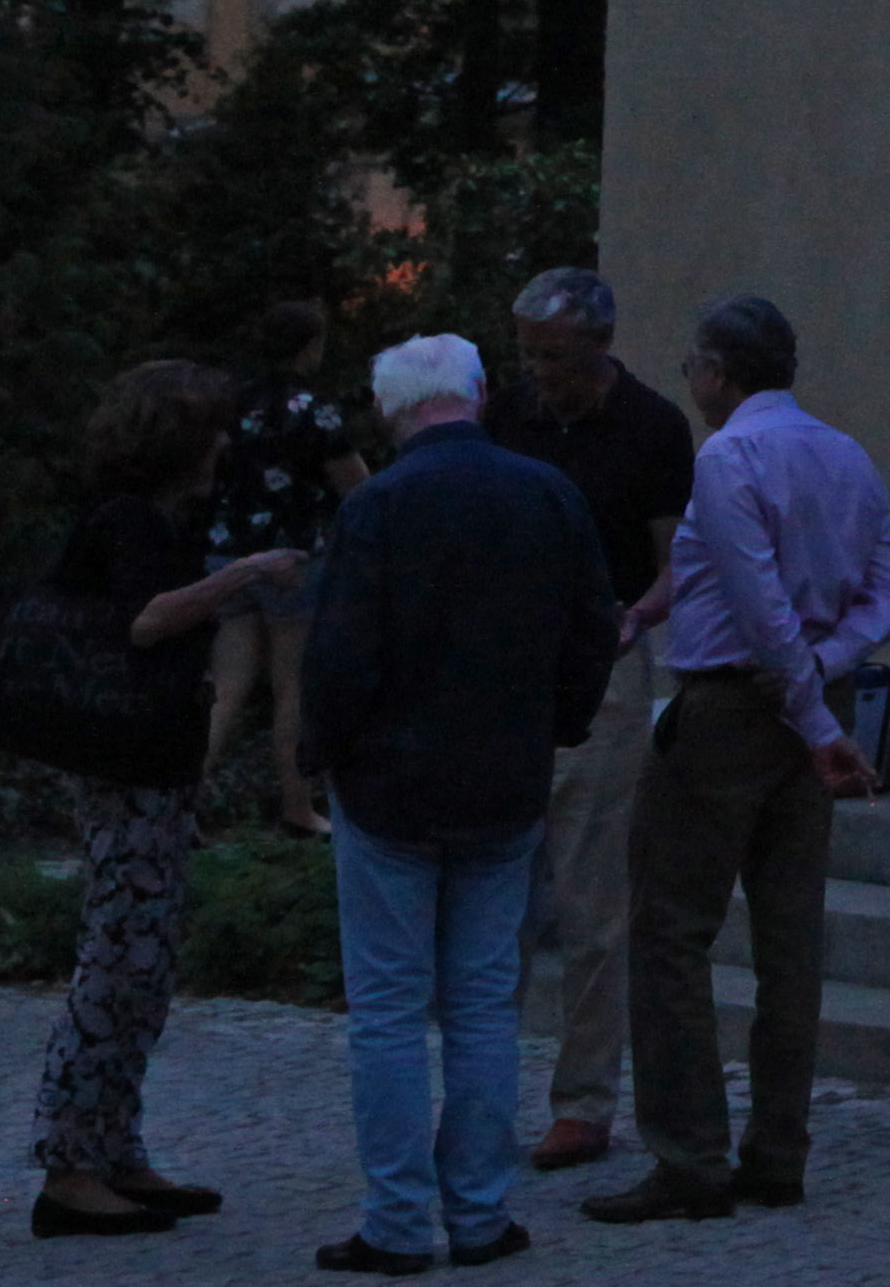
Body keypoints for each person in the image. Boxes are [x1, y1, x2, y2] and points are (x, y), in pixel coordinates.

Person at [300, 334, 617, 1277]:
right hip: (505, 779)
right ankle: (479, 1213)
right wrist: (557, 727)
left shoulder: (378, 506)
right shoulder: (547, 493)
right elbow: (592, 630)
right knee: (483, 1007)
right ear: (477, 393)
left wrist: (324, 754)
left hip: (388, 787)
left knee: (389, 1009)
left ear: (389, 408)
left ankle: (398, 1222)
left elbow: (340, 654)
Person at [588, 298, 890, 1227]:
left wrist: (806, 702)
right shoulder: (846, 454)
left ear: (720, 373)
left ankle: (690, 1156)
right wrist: (827, 671)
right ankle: (777, 1152)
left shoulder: (730, 456)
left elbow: (757, 596)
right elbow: (886, 595)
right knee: (789, 941)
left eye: (693, 366)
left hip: (738, 709)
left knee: (670, 930)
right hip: (811, 702)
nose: (690, 381)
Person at [27, 359, 305, 1240]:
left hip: (146, 765)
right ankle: (72, 1165)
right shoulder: (132, 522)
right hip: (129, 769)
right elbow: (144, 621)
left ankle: (113, 1151)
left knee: (142, 965)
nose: (224, 446)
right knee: (118, 962)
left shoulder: (138, 518)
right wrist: (244, 573)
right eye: (213, 431)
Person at [476, 270, 696, 1174]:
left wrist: (636, 617)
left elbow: (676, 559)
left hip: (602, 665)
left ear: (600, 347)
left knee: (593, 899)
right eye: (529, 355)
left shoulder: (651, 428)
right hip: (505, 670)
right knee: (495, 896)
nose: (540, 373)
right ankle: (484, 1094)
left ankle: (585, 1101)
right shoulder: (506, 418)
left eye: (556, 358)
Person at [198, 300, 369, 836]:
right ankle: (298, 806)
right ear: (309, 347)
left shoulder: (226, 402)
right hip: (293, 561)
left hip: (227, 555)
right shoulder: (312, 408)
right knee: (292, 687)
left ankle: (179, 802)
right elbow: (359, 489)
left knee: (227, 688)